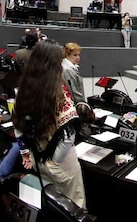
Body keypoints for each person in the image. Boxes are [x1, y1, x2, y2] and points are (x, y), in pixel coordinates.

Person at [14, 40, 86, 208]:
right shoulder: (57, 91)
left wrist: (25, 151)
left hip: (36, 156)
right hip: (60, 162)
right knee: (72, 205)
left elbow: (18, 121)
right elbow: (68, 132)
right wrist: (54, 161)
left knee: (50, 202)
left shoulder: (25, 86)